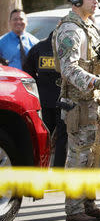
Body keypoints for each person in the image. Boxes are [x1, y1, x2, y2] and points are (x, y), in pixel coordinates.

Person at [53, 0, 100, 221]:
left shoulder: (89, 26)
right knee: (78, 156)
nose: (96, 1)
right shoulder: (71, 29)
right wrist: (97, 82)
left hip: (93, 102)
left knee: (95, 155)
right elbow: (69, 69)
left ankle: (88, 204)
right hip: (78, 103)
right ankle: (73, 210)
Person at [23, 31, 67, 167]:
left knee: (42, 138)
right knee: (61, 139)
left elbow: (27, 70)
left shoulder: (38, 48)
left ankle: (40, 168)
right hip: (62, 101)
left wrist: (38, 86)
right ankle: (58, 172)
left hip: (43, 101)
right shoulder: (66, 49)